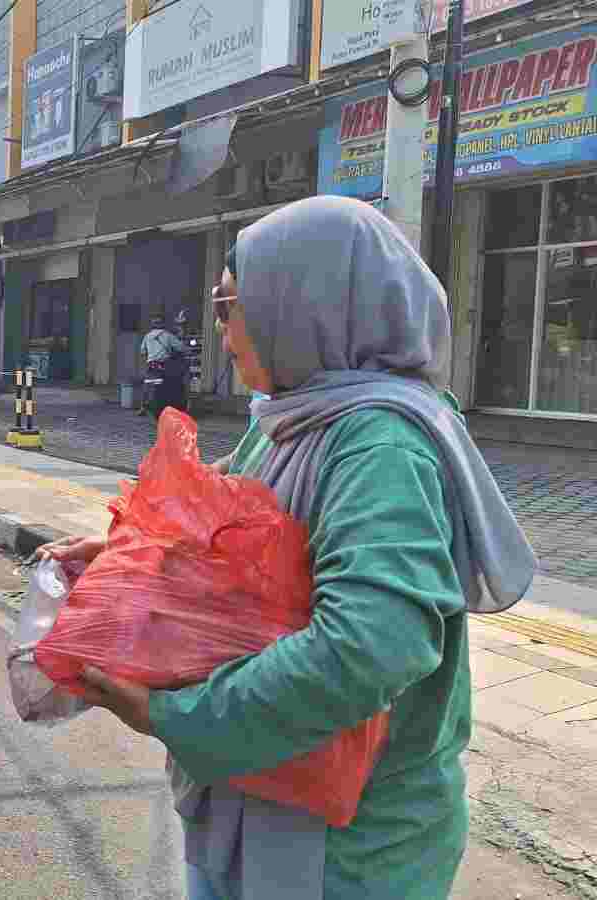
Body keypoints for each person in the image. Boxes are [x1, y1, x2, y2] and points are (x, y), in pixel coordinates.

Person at [38, 196, 536, 899]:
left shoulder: (378, 446)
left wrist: (178, 717)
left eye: (230, 304)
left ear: (303, 308)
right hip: (265, 801)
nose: (222, 328)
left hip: (343, 851)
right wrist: (129, 563)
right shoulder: (291, 418)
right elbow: (224, 550)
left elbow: (370, 646)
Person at [140, 311, 187, 418]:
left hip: (152, 365)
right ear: (163, 324)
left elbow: (142, 352)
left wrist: (150, 355)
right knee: (173, 385)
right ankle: (172, 406)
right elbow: (182, 348)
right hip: (165, 365)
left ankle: (143, 406)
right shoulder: (168, 336)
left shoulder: (147, 336)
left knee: (147, 385)